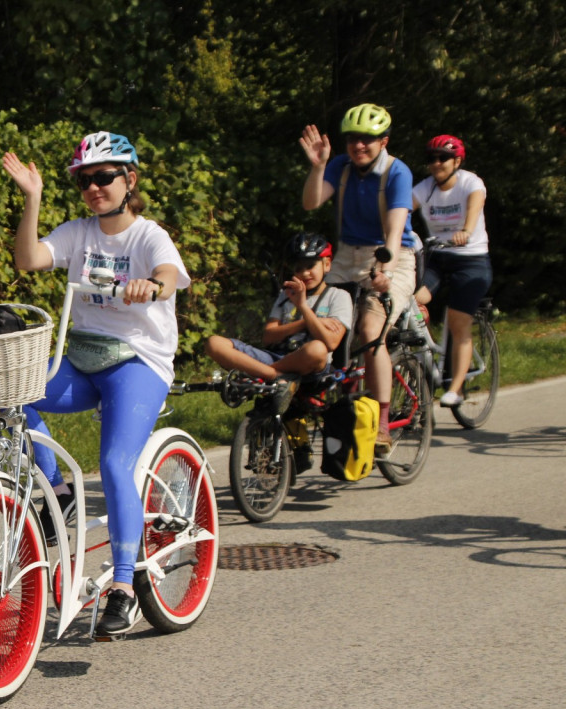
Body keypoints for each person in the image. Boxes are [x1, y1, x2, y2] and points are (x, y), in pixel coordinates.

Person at [2, 131, 189, 639]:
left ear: (129, 180)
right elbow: (28, 260)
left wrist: (152, 284)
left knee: (113, 464)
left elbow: (171, 274)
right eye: (85, 179)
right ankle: (59, 494)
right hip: (83, 356)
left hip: (139, 362)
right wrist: (33, 198)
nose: (93, 187)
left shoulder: (148, 236)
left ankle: (125, 587)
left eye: (104, 176)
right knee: (14, 390)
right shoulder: (78, 232)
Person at [299, 103, 417, 454]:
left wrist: (387, 271)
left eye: (367, 139)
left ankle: (381, 423)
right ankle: (327, 400)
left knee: (369, 332)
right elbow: (310, 203)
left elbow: (395, 231)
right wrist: (318, 166)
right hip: (348, 256)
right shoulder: (341, 166)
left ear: (384, 141)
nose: (359, 146)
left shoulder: (398, 173)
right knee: (318, 322)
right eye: (353, 139)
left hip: (391, 254)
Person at [205, 232, 353, 414]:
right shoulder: (286, 295)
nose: (305, 273)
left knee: (317, 349)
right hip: (276, 356)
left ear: (327, 264)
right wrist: (303, 324)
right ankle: (276, 377)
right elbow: (268, 337)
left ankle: (262, 374)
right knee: (214, 343)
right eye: (299, 268)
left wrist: (303, 308)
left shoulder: (338, 297)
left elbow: (331, 343)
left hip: (309, 366)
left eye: (310, 266)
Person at [411, 134, 492, 407]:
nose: (436, 163)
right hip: (437, 258)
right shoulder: (425, 188)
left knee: (458, 323)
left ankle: (455, 388)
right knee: (412, 302)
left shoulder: (471, 182)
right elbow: (401, 210)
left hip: (470, 260)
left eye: (443, 158)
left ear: (457, 161)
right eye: (431, 158)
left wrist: (467, 230)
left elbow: (475, 203)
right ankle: (432, 353)